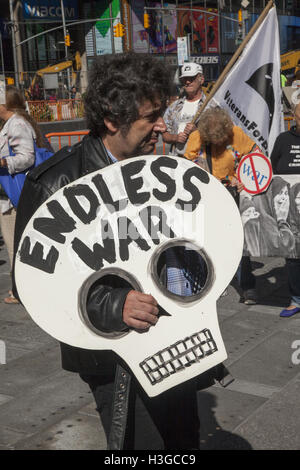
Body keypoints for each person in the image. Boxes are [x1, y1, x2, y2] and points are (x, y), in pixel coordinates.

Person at [12, 53, 228, 450]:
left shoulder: (159, 168)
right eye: (152, 117)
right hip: (111, 360)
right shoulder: (55, 183)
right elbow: (33, 284)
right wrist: (114, 304)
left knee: (183, 443)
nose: (163, 126)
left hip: (174, 339)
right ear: (113, 120)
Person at [184, 106, 257, 304]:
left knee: (239, 240)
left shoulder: (237, 134)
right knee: (209, 241)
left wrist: (243, 180)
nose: (217, 143)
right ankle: (214, 283)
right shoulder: (197, 137)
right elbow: (185, 166)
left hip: (233, 193)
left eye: (221, 139)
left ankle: (248, 286)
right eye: (213, 140)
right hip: (207, 195)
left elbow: (254, 159)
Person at [0, 85, 45, 304]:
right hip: (12, 196)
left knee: (14, 245)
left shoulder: (16, 123)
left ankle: (21, 291)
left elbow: (26, 157)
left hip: (13, 198)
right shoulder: (14, 122)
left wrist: (2, 162)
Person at [271, 102, 300, 318]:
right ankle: (296, 298)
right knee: (292, 256)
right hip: (289, 212)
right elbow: (270, 171)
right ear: (294, 117)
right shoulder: (283, 140)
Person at [162, 62, 206, 156]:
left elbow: (219, 137)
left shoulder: (210, 106)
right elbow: (165, 135)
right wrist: (175, 138)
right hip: (178, 163)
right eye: (184, 79)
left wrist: (197, 132)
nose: (187, 82)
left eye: (191, 79)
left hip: (201, 162)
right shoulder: (174, 107)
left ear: (201, 79)